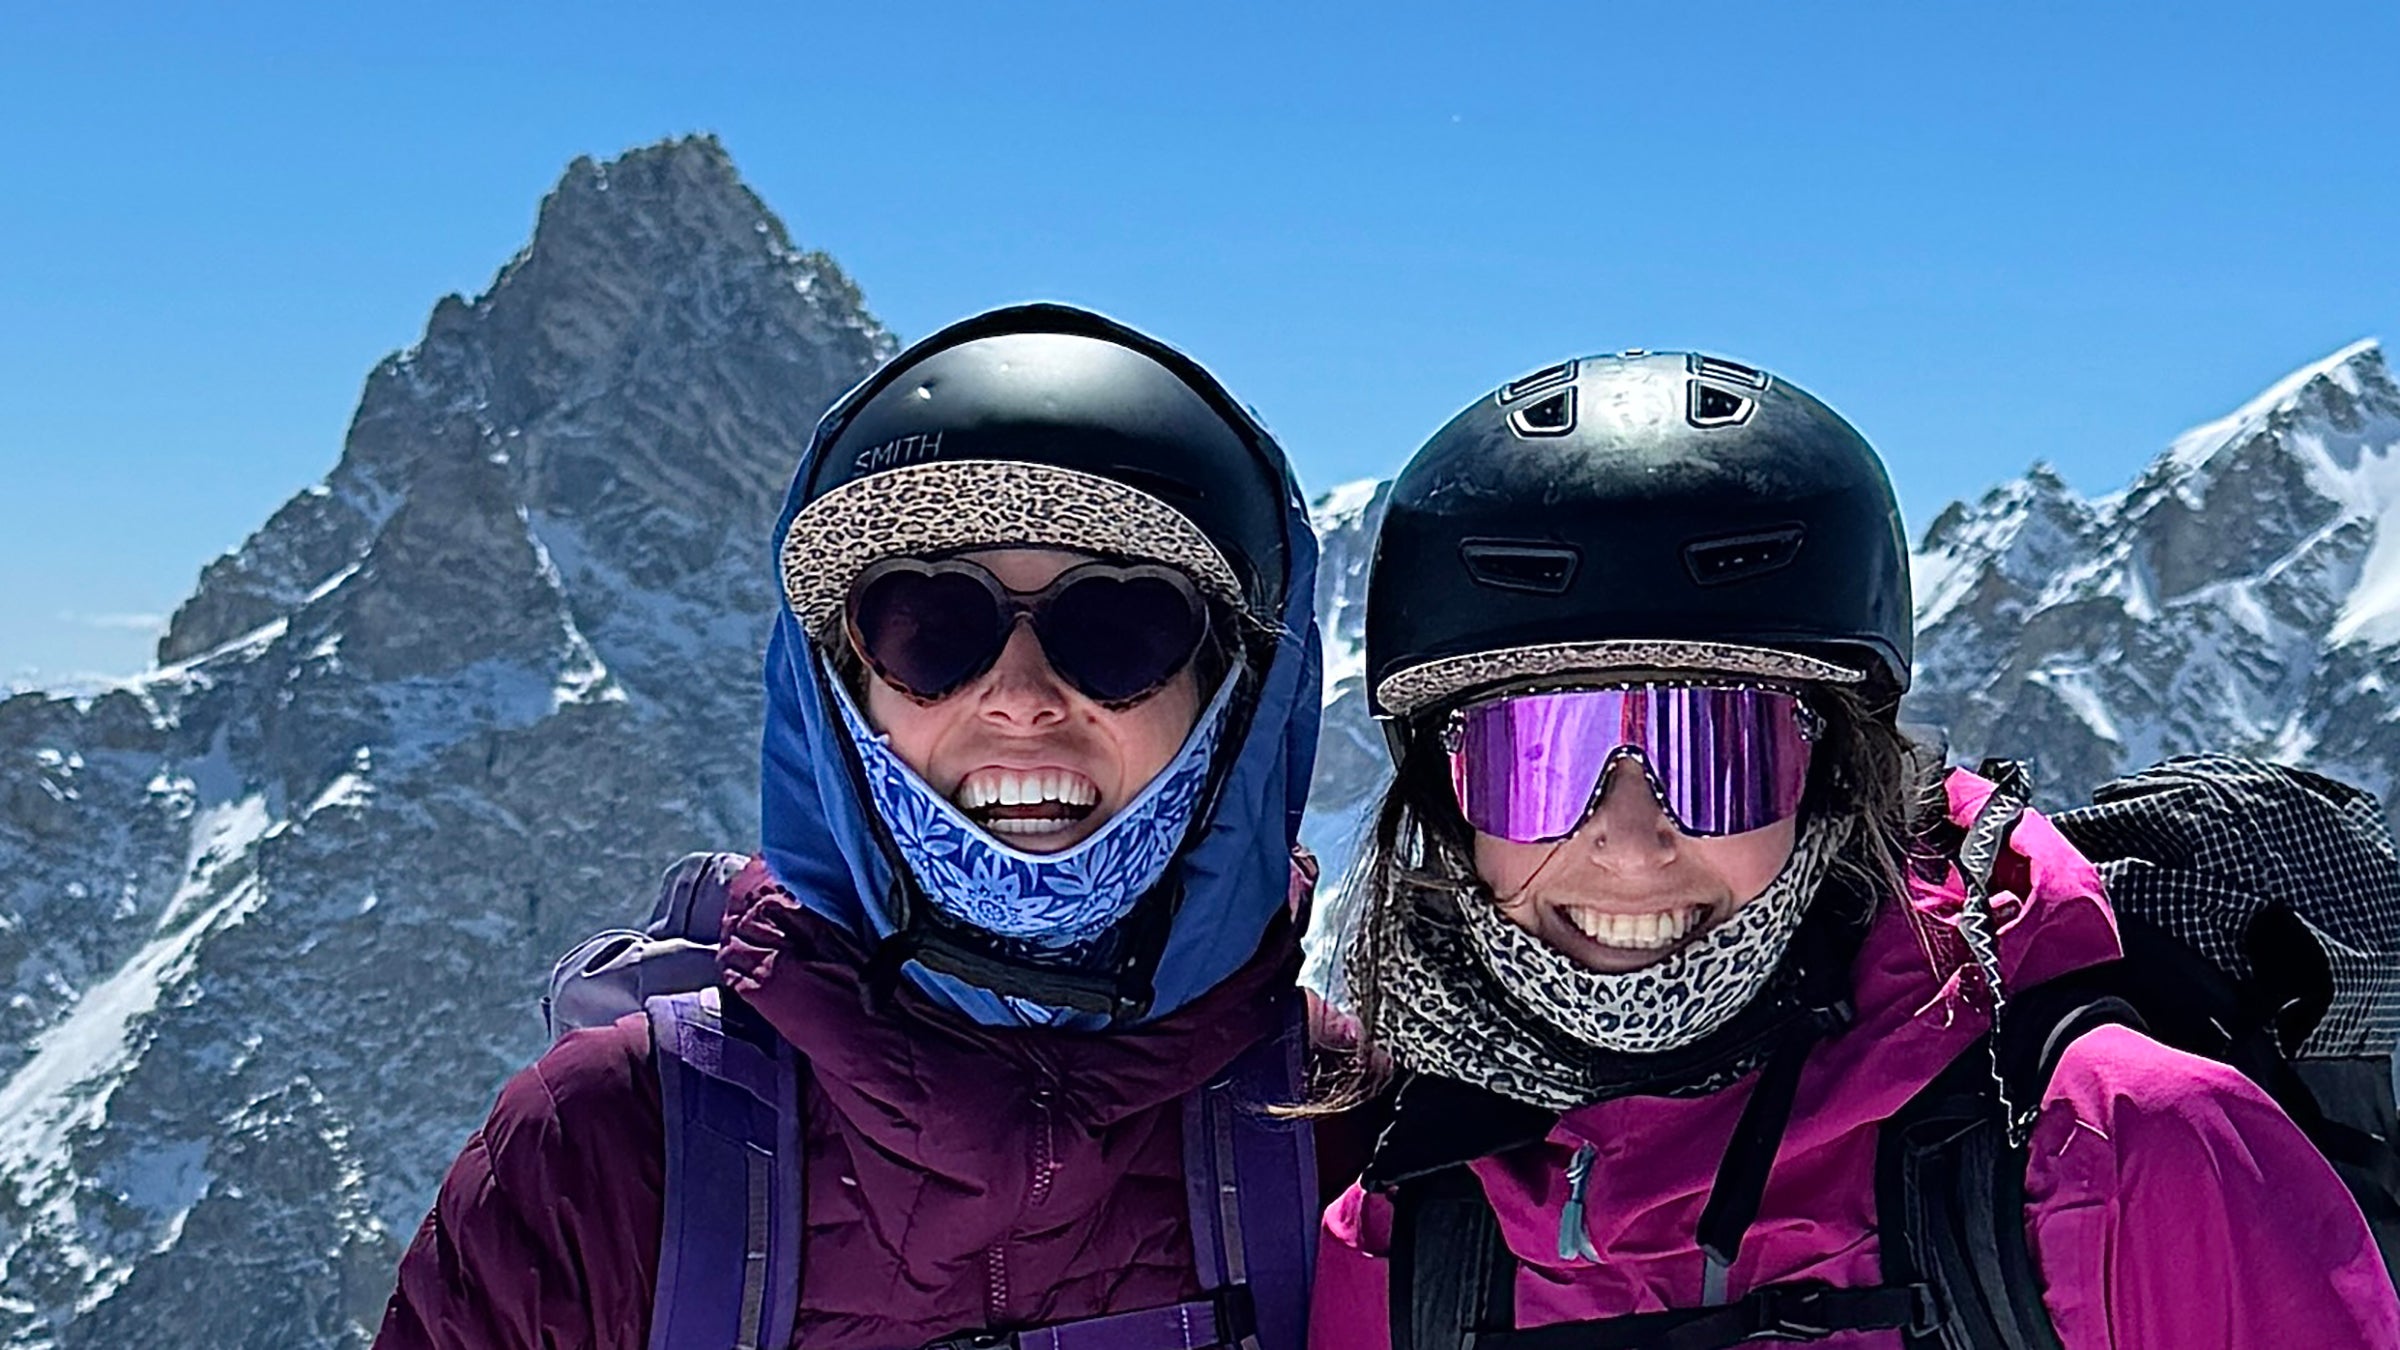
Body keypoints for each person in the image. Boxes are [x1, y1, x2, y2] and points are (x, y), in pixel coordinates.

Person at [1306, 352, 2400, 1348]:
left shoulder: (2121, 1155)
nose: (1631, 847)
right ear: (1448, 802)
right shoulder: (1405, 1236)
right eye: (1537, 762)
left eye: (1717, 754)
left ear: (1835, 776)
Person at [377, 304, 1326, 1350]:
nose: (1020, 699)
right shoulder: (601, 1152)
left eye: (1122, 626)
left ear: (1234, 698)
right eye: (928, 626)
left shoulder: (1356, 1136)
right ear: (839, 696)